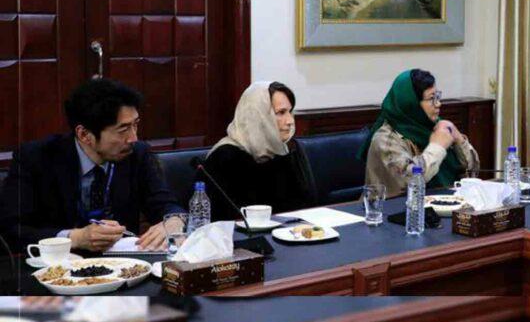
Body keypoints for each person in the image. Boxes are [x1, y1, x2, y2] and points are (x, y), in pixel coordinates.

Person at [0, 78, 184, 253]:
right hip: (59, 265)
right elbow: (11, 230)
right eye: (123, 129)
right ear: (84, 135)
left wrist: (174, 221)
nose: (133, 138)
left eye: (135, 125)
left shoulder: (137, 153)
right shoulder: (36, 158)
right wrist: (74, 238)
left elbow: (165, 204)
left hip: (124, 263)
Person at [197, 82, 317, 222]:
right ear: (258, 116)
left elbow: (306, 204)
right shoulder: (225, 158)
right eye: (281, 113)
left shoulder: (286, 151)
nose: (290, 121)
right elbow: (224, 219)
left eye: (290, 112)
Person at [361, 69, 479, 196]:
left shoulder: (433, 126)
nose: (438, 103)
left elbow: (473, 172)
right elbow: (411, 180)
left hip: (444, 201)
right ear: (411, 104)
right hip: (394, 207)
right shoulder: (385, 140)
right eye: (431, 99)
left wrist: (459, 140)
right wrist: (437, 147)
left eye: (437, 96)